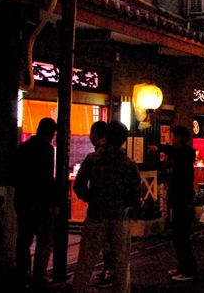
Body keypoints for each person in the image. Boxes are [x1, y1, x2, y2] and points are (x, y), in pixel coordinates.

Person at [72, 121, 141, 293]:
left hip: (96, 217)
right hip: (119, 219)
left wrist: (92, 198)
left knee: (85, 264)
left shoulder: (92, 159)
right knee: (121, 266)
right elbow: (135, 195)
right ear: (124, 140)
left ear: (106, 137)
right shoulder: (129, 164)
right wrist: (124, 204)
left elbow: (78, 186)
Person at [14, 117, 60, 290]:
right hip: (41, 204)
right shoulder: (47, 150)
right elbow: (48, 179)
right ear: (51, 134)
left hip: (24, 203)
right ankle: (39, 278)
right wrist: (53, 204)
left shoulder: (22, 148)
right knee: (44, 241)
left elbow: (17, 177)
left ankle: (21, 274)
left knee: (23, 241)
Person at [149, 125, 197, 282]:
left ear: (178, 138)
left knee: (181, 236)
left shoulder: (184, 153)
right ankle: (183, 267)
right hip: (179, 199)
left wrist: (159, 147)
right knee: (178, 236)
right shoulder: (182, 155)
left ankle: (188, 270)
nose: (170, 139)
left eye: (172, 136)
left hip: (182, 200)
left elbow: (173, 152)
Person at [88, 121, 115, 289]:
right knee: (109, 241)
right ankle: (109, 269)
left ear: (96, 134)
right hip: (114, 207)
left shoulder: (99, 155)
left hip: (101, 206)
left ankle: (109, 271)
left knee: (105, 241)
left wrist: (89, 196)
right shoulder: (117, 154)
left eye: (90, 133)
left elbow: (81, 184)